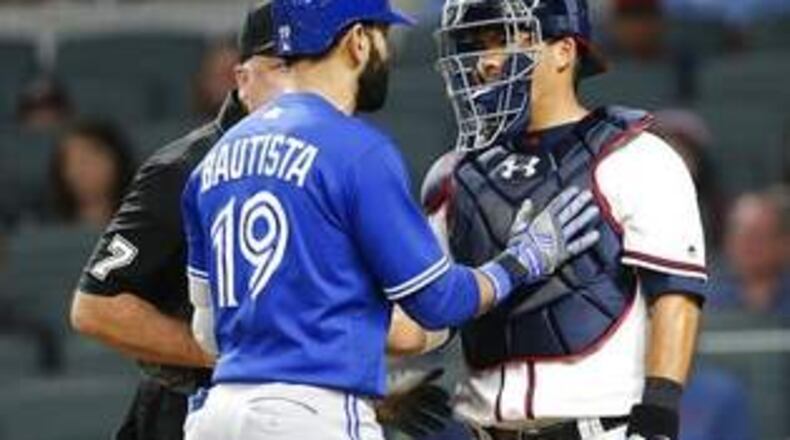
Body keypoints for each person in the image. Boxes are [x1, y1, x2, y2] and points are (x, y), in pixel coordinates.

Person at [180, 0, 601, 439]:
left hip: (216, 416)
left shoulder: (215, 159)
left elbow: (207, 332)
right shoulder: (356, 149)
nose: (388, 52)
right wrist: (521, 261)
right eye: (383, 36)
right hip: (309, 414)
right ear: (357, 41)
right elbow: (439, 301)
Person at [422, 0, 708, 439]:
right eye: (476, 44)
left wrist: (657, 418)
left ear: (563, 51)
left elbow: (675, 296)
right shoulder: (452, 173)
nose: (485, 62)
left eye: (503, 40)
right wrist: (375, 381)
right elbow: (428, 317)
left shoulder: (636, 154)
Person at [69, 3, 291, 440]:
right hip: (189, 411)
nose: (305, 84)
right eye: (285, 66)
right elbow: (97, 308)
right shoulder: (185, 168)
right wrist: (222, 357)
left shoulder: (328, 161)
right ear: (243, 77)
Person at [711, 187, 790, 315]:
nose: (747, 245)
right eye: (740, 235)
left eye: (758, 236)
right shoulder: (707, 297)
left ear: (783, 242)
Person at [49, 120, 136, 228]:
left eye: (85, 160)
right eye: (69, 162)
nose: (76, 171)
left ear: (115, 162)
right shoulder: (48, 226)